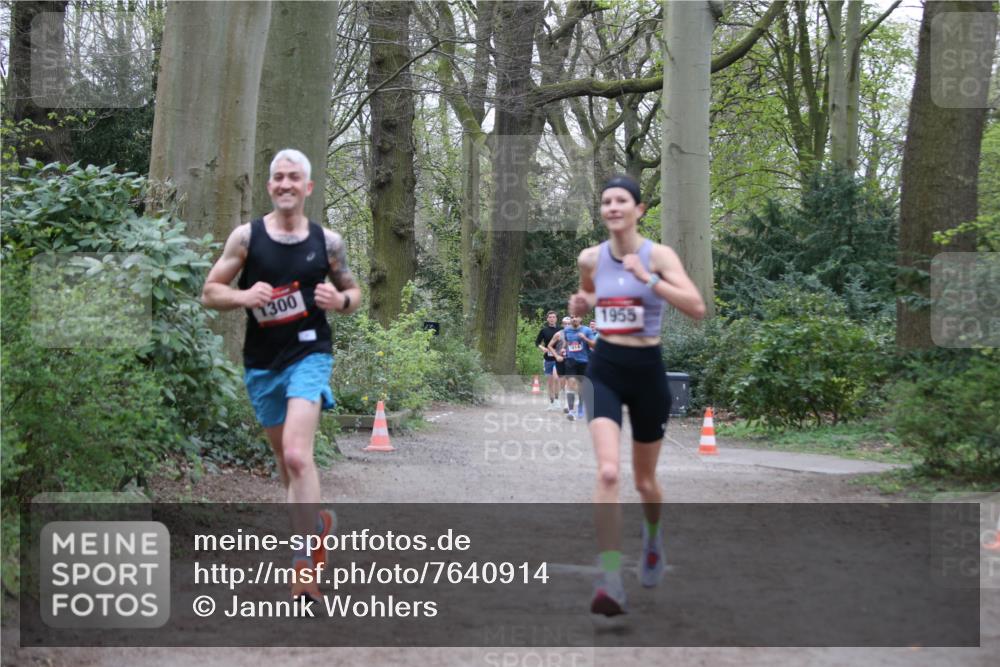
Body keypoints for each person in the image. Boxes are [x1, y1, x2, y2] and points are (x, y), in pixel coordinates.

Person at [201, 148, 361, 602]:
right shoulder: (245, 238)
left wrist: (340, 301)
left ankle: (302, 561)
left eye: (294, 177)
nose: (286, 184)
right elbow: (210, 292)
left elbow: (354, 293)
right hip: (261, 362)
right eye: (278, 177)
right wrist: (243, 296)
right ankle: (317, 525)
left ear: (307, 187)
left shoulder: (327, 242)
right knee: (284, 460)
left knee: (296, 454)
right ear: (270, 186)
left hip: (310, 355)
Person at [568, 174, 705, 617]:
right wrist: (580, 304)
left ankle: (652, 537)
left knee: (645, 481)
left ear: (639, 209)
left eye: (621, 200)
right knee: (608, 472)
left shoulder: (658, 256)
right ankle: (610, 579)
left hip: (647, 372)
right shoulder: (590, 257)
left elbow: (696, 307)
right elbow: (589, 293)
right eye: (606, 201)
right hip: (605, 369)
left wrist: (650, 279)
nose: (612, 207)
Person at [547, 315, 594, 421]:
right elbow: (566, 343)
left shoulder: (587, 330)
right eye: (572, 317)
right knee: (571, 384)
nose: (574, 319)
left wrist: (585, 338)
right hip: (570, 361)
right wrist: (563, 349)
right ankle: (571, 411)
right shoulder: (566, 331)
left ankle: (581, 405)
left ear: (581, 318)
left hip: (584, 361)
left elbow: (594, 345)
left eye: (576, 317)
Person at [534, 311, 562, 411]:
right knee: (550, 382)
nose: (552, 319)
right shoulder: (544, 330)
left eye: (553, 317)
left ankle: (557, 400)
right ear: (547, 319)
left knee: (556, 378)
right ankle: (551, 402)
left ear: (556, 319)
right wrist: (542, 348)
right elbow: (537, 342)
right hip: (548, 359)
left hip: (558, 358)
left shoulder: (561, 330)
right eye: (550, 317)